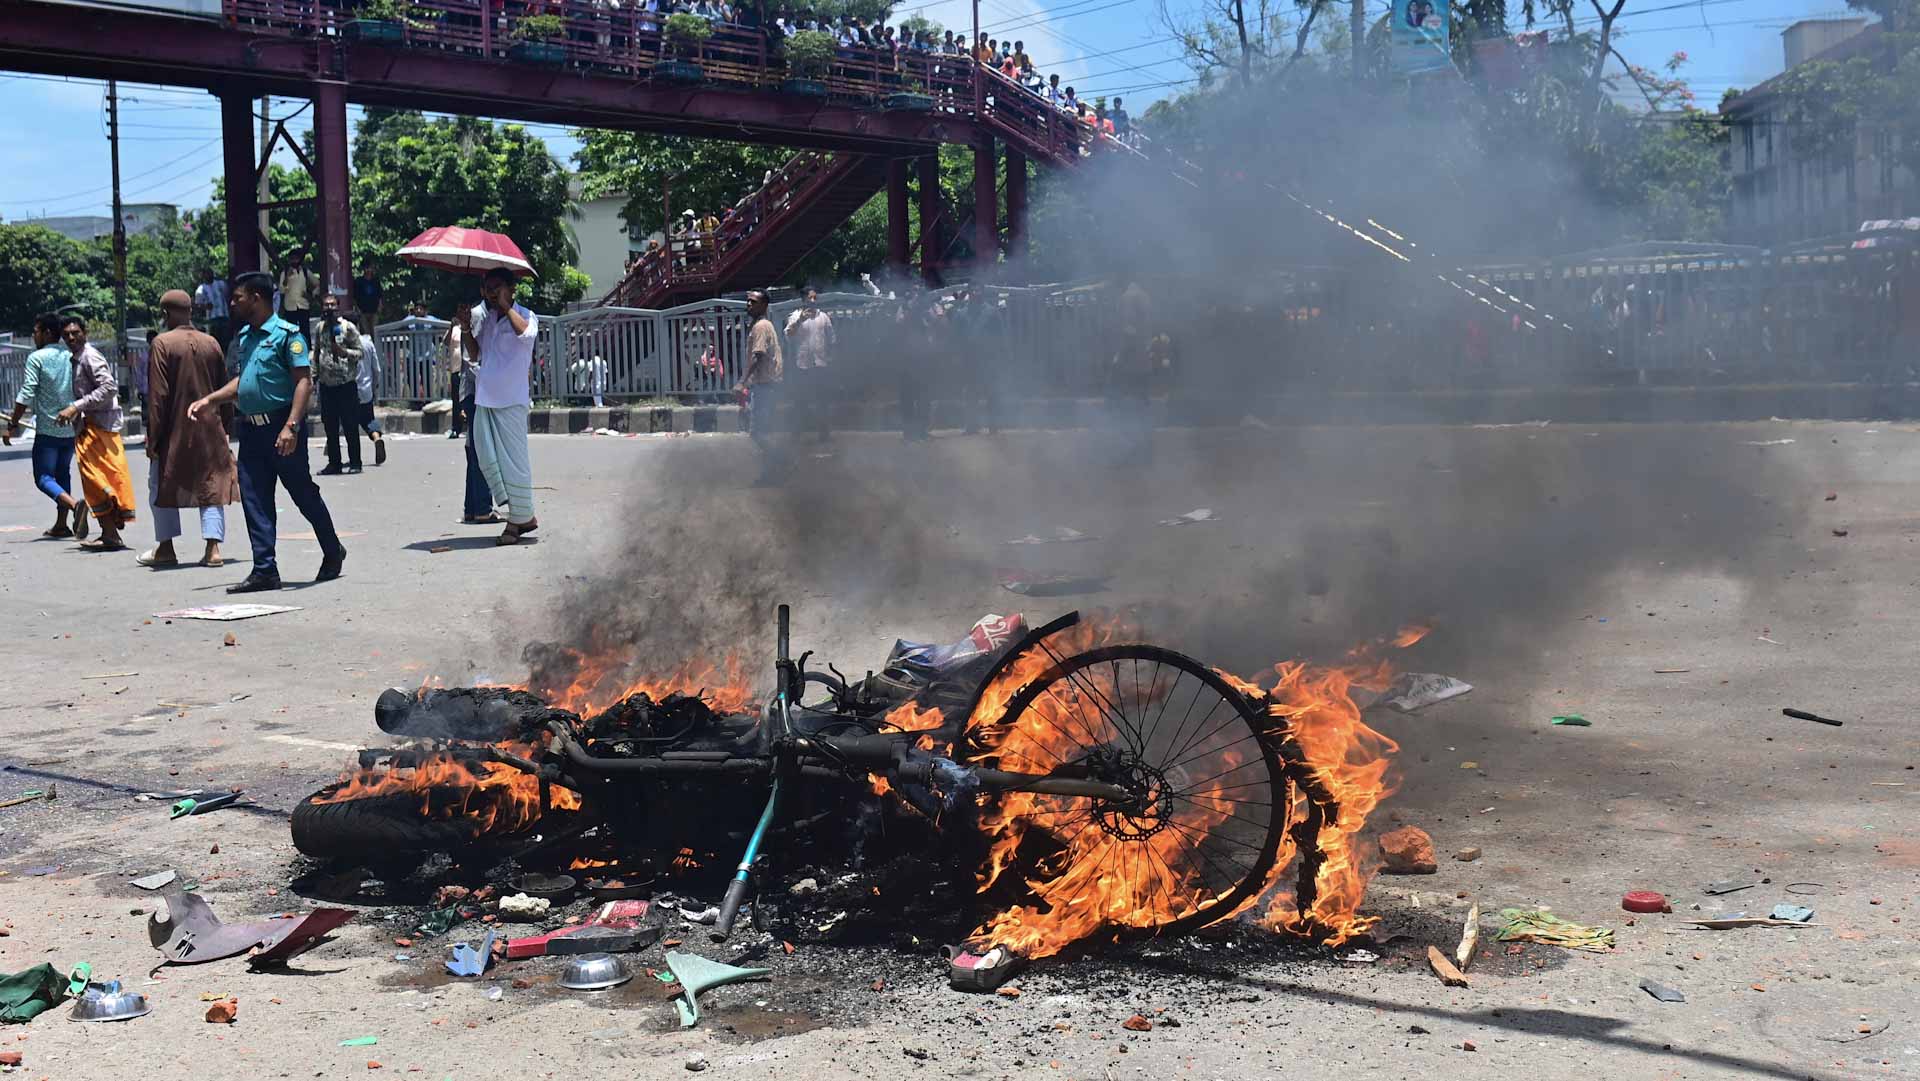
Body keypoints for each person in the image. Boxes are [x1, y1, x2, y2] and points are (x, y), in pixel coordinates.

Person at [189, 270, 346, 592]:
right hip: (251, 431)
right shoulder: (246, 337)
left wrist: (291, 426)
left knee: (302, 493)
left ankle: (332, 550)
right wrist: (211, 399)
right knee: (255, 500)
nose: (232, 303)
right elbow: (244, 382)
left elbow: (303, 380)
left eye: (238, 297)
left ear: (257, 298)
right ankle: (265, 570)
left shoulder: (289, 335)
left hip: (281, 428)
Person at [140, 290, 238, 569]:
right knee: (211, 486)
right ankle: (213, 547)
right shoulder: (212, 343)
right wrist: (226, 425)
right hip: (210, 427)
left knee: (161, 483)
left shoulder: (162, 343)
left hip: (175, 429)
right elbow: (226, 388)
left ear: (165, 314)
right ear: (191, 311)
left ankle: (166, 547)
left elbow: (157, 397)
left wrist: (154, 437)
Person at [465, 267, 540, 544]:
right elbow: (475, 354)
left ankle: (520, 519)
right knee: (485, 456)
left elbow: (526, 335)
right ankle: (519, 514)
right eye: (488, 288)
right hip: (485, 398)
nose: (491, 293)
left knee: (515, 464)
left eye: (497, 287)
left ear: (511, 289)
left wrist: (507, 306)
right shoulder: (487, 321)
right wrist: (465, 328)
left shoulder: (526, 315)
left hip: (511, 400)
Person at [54, 316, 136, 551]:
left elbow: (109, 388)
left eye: (75, 333)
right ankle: (109, 533)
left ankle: (110, 533)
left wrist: (76, 406)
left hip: (100, 429)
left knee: (99, 481)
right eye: (67, 334)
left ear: (85, 333)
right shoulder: (77, 359)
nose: (71, 337)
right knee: (96, 482)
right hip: (89, 429)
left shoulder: (90, 356)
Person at [3, 313, 83, 539]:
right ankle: (61, 524)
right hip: (69, 428)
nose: (33, 335)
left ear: (47, 333)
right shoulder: (69, 355)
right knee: (62, 473)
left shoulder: (36, 358)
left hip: (48, 429)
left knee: (44, 477)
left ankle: (75, 506)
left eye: (36, 331)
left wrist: (12, 424)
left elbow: (26, 392)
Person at [311, 294, 367, 475]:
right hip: (327, 386)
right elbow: (316, 353)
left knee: (350, 425)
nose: (329, 308)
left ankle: (355, 462)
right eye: (326, 305)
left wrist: (344, 352)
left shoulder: (347, 328)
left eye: (332, 305)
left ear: (338, 306)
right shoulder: (320, 328)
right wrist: (313, 376)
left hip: (346, 384)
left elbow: (360, 353)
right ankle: (334, 463)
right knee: (330, 426)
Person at [735, 290, 784, 482]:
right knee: (763, 430)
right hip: (766, 383)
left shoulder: (761, 326)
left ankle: (780, 462)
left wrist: (742, 381)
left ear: (764, 306)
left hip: (766, 385)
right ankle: (774, 468)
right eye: (747, 301)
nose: (748, 304)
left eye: (753, 302)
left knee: (758, 431)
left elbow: (759, 355)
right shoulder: (761, 325)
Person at [783, 286, 834, 441]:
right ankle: (797, 433)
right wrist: (800, 321)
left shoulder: (823, 317)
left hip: (820, 364)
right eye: (810, 298)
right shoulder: (795, 316)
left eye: (814, 298)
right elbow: (788, 336)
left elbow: (831, 338)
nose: (812, 301)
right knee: (800, 401)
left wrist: (830, 356)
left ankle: (824, 433)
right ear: (803, 299)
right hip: (802, 365)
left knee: (822, 401)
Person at [354, 327, 389, 466]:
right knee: (368, 418)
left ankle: (353, 458)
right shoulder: (368, 343)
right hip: (366, 389)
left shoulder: (344, 343)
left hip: (349, 389)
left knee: (346, 421)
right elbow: (377, 369)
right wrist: (374, 386)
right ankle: (376, 438)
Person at [278, 249, 318, 329]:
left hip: (303, 305)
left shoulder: (305, 272)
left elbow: (317, 284)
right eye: (292, 259)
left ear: (299, 260)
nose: (294, 261)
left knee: (305, 331)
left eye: (296, 259)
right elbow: (282, 290)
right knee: (292, 331)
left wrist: (312, 294)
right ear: (289, 260)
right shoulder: (284, 273)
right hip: (290, 306)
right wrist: (287, 277)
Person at [193, 268, 231, 344]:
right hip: (212, 319)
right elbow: (197, 305)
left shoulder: (221, 284)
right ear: (203, 276)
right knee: (215, 341)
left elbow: (228, 296)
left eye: (210, 273)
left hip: (224, 316)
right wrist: (205, 306)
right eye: (206, 274)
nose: (209, 275)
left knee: (226, 340)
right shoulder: (200, 290)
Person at [350, 261, 383, 334]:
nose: (368, 270)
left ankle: (375, 345)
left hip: (374, 311)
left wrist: (380, 307)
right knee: (365, 332)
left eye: (370, 268)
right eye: (366, 268)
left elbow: (380, 295)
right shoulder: (358, 281)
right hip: (362, 311)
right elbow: (354, 296)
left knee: (375, 331)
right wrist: (357, 308)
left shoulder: (376, 280)